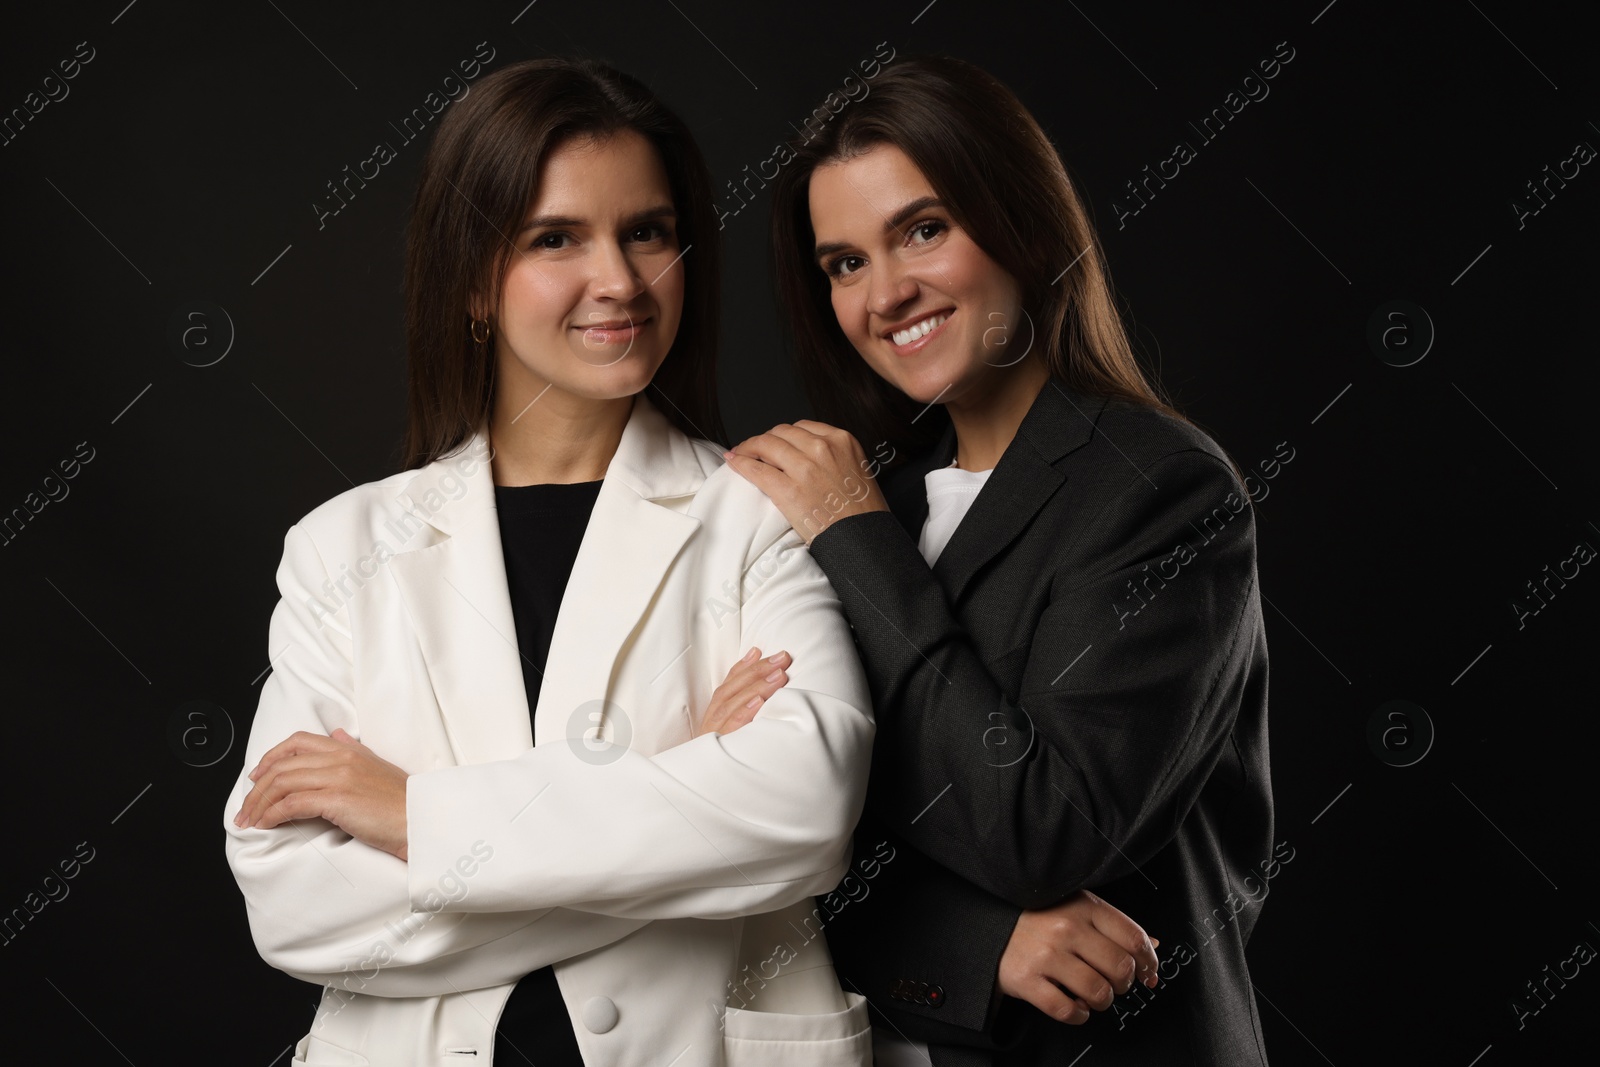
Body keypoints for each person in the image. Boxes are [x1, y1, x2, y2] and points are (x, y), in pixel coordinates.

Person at [222, 57, 879, 1067]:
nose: (617, 279)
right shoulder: (341, 549)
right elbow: (296, 907)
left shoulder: (758, 511)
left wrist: (414, 815)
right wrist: (676, 800)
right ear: (476, 280)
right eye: (555, 238)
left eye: (647, 232)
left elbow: (804, 804)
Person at [723, 53, 1274, 1066]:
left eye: (922, 229)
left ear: (1020, 222)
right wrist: (977, 942)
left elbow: (1046, 827)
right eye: (844, 263)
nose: (886, 293)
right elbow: (752, 852)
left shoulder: (1160, 489)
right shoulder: (861, 504)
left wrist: (854, 538)